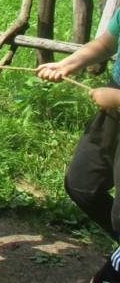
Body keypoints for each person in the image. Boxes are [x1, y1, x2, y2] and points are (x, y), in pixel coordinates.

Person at [37, 22, 120, 283]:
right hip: (114, 102)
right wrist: (68, 64)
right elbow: (106, 43)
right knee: (82, 184)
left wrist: (117, 98)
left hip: (115, 98)